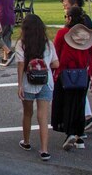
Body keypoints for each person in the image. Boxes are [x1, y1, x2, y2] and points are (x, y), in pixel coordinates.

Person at [51, 6, 92, 151]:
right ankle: (80, 135)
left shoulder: (63, 33)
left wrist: (53, 72)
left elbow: (55, 53)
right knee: (79, 104)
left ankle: (69, 132)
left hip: (65, 73)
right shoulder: (89, 36)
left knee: (65, 103)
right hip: (83, 74)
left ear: (69, 18)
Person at [15, 14, 59, 160]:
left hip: (28, 82)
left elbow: (21, 64)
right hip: (45, 82)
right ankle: (44, 149)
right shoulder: (48, 43)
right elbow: (56, 64)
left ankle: (26, 141)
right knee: (43, 116)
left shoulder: (22, 44)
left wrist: (20, 84)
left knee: (27, 113)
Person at [60, 0, 92, 131]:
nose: (64, 9)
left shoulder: (79, 24)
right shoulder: (85, 20)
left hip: (76, 65)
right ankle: (84, 119)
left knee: (75, 93)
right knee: (79, 92)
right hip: (83, 65)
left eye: (66, 6)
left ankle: (82, 121)